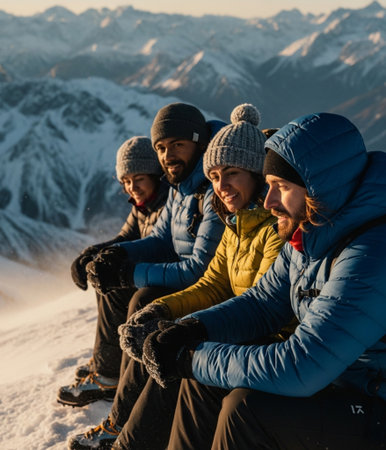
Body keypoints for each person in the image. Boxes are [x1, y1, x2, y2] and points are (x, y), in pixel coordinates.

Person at [142, 112, 386, 449]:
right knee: (204, 382)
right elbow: (262, 304)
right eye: (268, 185)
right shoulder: (310, 233)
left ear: (322, 187)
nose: (269, 202)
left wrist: (190, 358)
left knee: (245, 409)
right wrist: (192, 330)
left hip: (372, 404)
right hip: (341, 383)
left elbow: (303, 365)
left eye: (282, 187)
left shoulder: (371, 254)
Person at [67, 104, 287, 449]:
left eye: (231, 173)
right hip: (242, 327)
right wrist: (158, 306)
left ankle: (125, 432)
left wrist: (185, 323)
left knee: (173, 350)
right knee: (154, 326)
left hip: (267, 345)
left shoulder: (265, 224)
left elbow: (258, 304)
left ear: (256, 173)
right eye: (215, 176)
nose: (222, 186)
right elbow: (211, 281)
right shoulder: (232, 215)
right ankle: (122, 423)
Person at [57, 103, 226, 408]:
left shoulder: (211, 189)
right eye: (161, 147)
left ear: (199, 143)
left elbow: (199, 269)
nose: (168, 154)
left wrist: (127, 272)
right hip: (187, 278)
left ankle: (117, 386)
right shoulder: (179, 185)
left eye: (177, 144)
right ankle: (110, 370)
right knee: (114, 282)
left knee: (141, 300)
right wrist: (109, 256)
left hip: (208, 288)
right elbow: (157, 238)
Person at [62, 136, 169, 388]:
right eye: (126, 182)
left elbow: (161, 246)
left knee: (114, 287)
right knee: (103, 274)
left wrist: (114, 261)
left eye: (139, 179)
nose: (132, 187)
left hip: (165, 277)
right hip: (152, 273)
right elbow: (125, 237)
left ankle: (107, 375)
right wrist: (93, 253)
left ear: (156, 175)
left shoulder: (166, 204)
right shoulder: (143, 205)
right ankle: (106, 359)